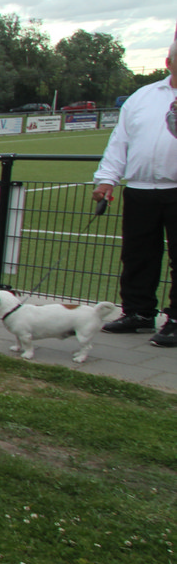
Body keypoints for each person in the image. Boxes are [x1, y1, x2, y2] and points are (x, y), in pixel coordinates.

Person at [93, 36, 177, 347]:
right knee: (137, 255)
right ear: (168, 63)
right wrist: (107, 178)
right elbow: (120, 141)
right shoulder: (143, 96)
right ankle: (139, 313)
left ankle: (176, 320)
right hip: (140, 189)